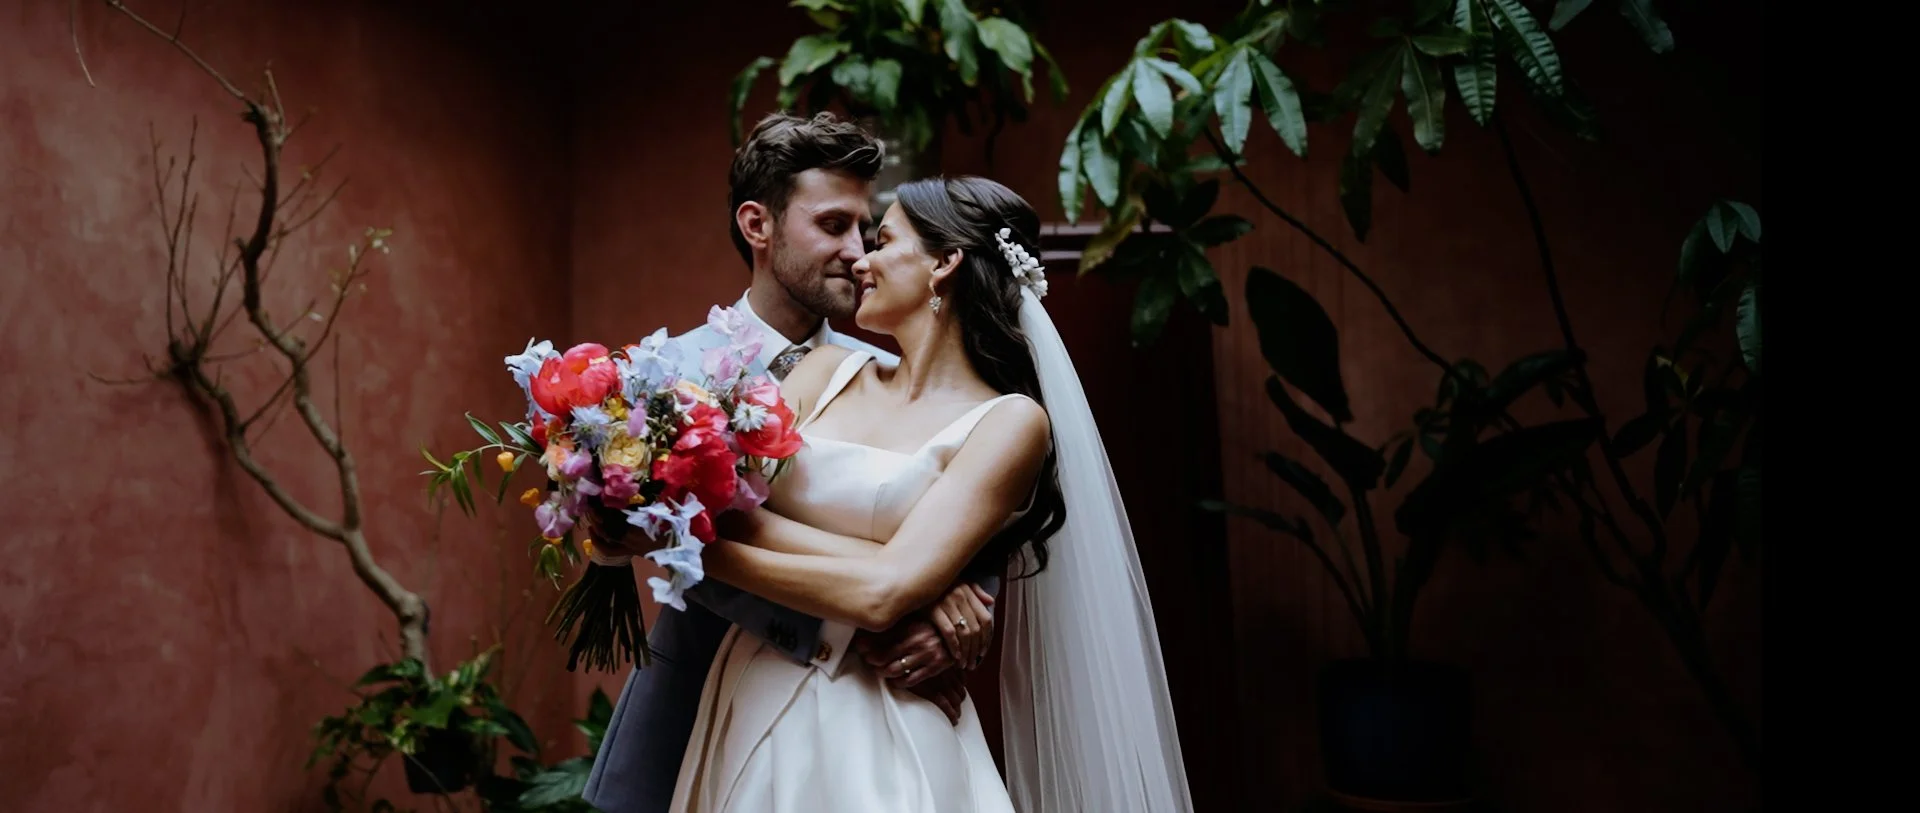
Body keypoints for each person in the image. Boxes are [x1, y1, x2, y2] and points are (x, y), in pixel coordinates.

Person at [666, 175, 1194, 812]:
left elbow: (882, 595)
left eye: (883, 240)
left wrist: (694, 550)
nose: (861, 259)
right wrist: (924, 583)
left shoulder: (1009, 423)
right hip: (752, 688)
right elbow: (735, 513)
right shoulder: (824, 371)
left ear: (944, 264)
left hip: (884, 720)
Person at [581, 113, 1003, 813]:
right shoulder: (663, 377)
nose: (859, 252)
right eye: (833, 226)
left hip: (871, 731)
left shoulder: (890, 370)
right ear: (758, 225)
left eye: (867, 231)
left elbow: (955, 504)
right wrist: (891, 600)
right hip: (695, 714)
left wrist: (957, 602)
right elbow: (628, 534)